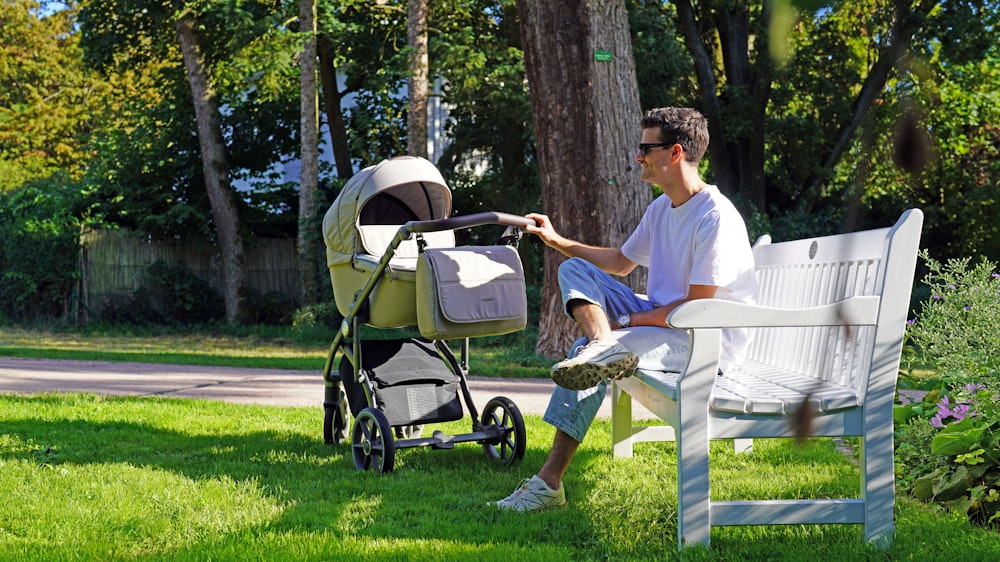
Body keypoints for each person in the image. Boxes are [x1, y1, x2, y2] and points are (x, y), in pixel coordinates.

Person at [490, 107, 758, 512]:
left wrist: (630, 320)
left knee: (589, 360)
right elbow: (619, 263)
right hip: (668, 323)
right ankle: (602, 343)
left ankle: (548, 485)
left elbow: (700, 307)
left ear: (675, 153)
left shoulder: (714, 216)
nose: (638, 156)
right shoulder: (660, 209)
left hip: (705, 340)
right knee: (576, 269)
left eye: (645, 147)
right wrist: (556, 239)